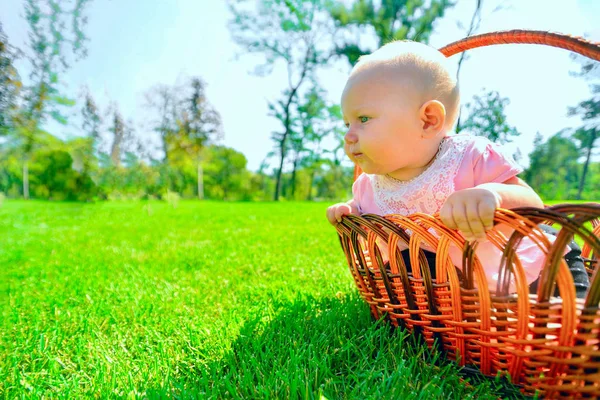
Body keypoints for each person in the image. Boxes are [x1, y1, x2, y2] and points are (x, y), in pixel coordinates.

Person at [326, 40, 589, 296]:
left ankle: (581, 316)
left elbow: (535, 206)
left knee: (556, 252)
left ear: (428, 121)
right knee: (409, 261)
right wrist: (350, 212)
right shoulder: (367, 186)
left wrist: (493, 195)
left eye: (363, 119)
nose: (349, 135)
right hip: (457, 295)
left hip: (517, 271)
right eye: (346, 123)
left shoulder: (468, 157)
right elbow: (369, 223)